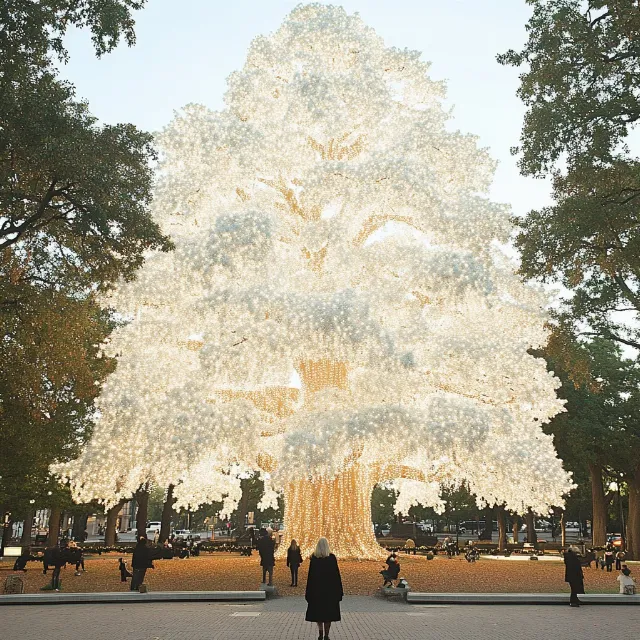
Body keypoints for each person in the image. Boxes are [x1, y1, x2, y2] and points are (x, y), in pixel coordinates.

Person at [305, 537, 343, 640]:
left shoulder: (314, 559)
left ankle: (320, 632)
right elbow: (336, 576)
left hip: (317, 591)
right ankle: (326, 634)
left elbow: (310, 577)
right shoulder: (331, 558)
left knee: (319, 614)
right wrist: (339, 591)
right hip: (330, 591)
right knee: (328, 615)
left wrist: (308, 592)